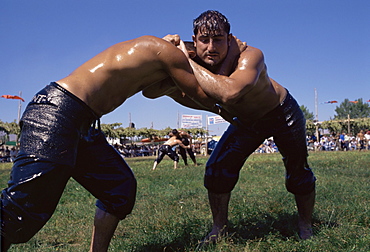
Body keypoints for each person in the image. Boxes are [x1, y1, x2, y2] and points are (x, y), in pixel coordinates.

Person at [0, 35, 230, 252]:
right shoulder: (170, 51)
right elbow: (205, 94)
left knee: (118, 189)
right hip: (58, 112)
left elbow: (153, 92)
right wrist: (237, 109)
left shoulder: (156, 59)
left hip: (82, 121)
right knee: (20, 213)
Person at [144, 10, 316, 242]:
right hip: (246, 121)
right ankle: (219, 228)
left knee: (298, 172)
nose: (211, 47)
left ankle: (305, 225)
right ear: (194, 41)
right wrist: (164, 53)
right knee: (216, 170)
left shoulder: (250, 56)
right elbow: (150, 91)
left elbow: (229, 92)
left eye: (218, 40)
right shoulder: (192, 56)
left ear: (230, 39)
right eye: (204, 40)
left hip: (281, 112)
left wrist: (182, 60)